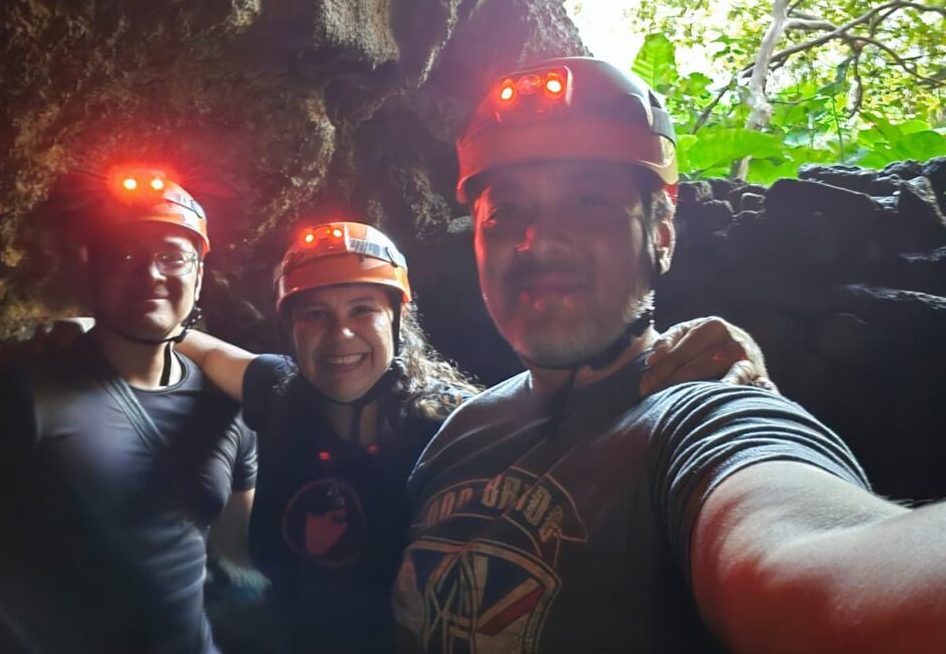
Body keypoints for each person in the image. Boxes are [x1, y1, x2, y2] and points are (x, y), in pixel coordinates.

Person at [393, 57, 946, 653]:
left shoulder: (705, 419)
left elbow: (808, 563)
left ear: (661, 235)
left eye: (588, 201)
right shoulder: (459, 434)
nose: (540, 240)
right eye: (505, 213)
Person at [176, 221, 775, 653]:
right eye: (314, 315)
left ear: (397, 321)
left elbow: (588, 421)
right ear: (290, 329)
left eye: (363, 310)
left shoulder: (456, 428)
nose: (339, 336)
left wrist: (708, 359)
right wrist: (100, 321)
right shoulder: (279, 391)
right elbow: (198, 346)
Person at [0, 167, 256, 654]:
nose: (150, 273)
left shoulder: (224, 406)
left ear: (199, 275)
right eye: (124, 254)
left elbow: (238, 546)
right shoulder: (9, 402)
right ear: (92, 269)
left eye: (172, 257)